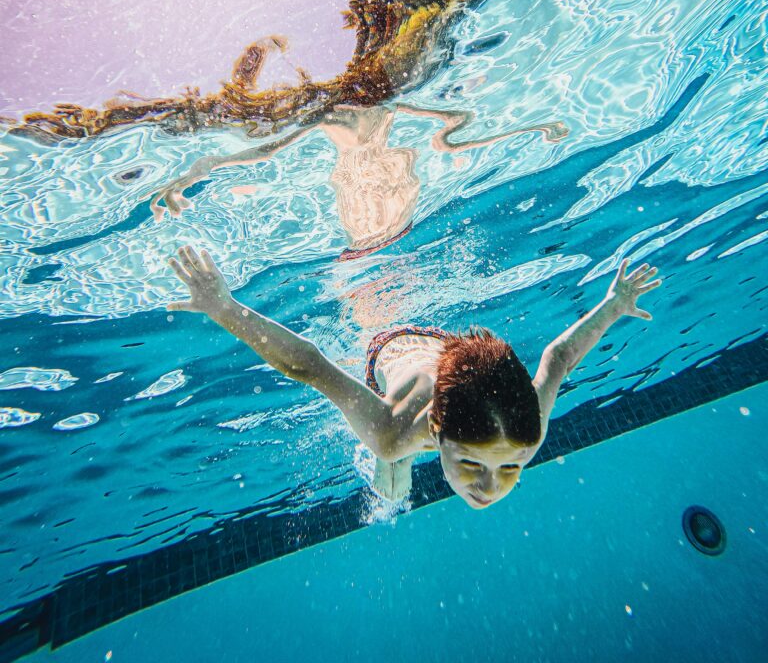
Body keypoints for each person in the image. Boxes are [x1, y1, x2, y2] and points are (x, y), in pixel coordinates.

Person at [166, 247, 661, 505]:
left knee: (395, 476)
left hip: (456, 357)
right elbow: (309, 365)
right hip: (388, 338)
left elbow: (560, 359)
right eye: (473, 465)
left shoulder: (524, 434)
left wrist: (615, 304)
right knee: (392, 479)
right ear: (438, 432)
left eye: (510, 468)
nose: (492, 486)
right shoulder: (394, 430)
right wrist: (224, 308)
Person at [150, 101, 569, 259]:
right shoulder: (338, 116)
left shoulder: (389, 108)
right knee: (375, 298)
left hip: (394, 219)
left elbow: (457, 127)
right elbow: (260, 151)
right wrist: (188, 176)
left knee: (381, 294)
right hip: (374, 225)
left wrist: (533, 127)